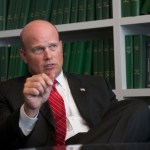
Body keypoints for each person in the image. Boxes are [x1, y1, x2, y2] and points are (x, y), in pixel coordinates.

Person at [0, 20, 150, 149]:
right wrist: (30, 110)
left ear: (61, 46)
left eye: (53, 46)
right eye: (39, 49)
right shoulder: (7, 91)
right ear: (24, 55)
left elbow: (119, 127)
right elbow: (4, 141)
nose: (49, 56)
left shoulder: (97, 84)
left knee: (137, 108)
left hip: (95, 142)